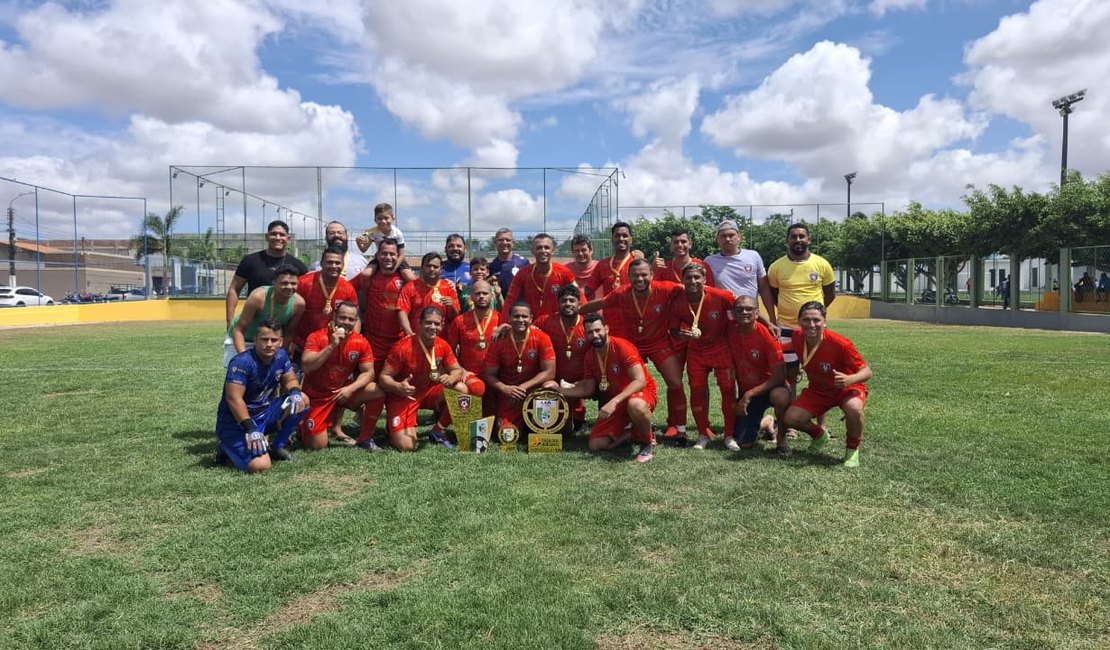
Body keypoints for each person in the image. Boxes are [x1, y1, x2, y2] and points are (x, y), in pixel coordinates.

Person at [581, 258, 688, 441]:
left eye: (644, 275)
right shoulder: (621, 292)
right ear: (628, 277)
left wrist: (722, 296)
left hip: (658, 342)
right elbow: (601, 303)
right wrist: (576, 311)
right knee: (620, 382)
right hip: (633, 343)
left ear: (652, 275)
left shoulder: (665, 288)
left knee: (675, 382)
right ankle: (626, 421)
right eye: (635, 275)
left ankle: (679, 427)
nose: (640, 279)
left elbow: (691, 289)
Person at [556, 313, 657, 463]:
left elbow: (639, 381)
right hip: (617, 400)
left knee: (635, 405)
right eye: (590, 332)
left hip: (639, 394)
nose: (595, 335)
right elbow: (588, 389)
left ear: (606, 329)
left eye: (598, 330)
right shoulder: (590, 356)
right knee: (596, 444)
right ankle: (634, 431)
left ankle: (647, 442)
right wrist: (558, 390)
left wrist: (614, 402)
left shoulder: (622, 346)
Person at [782, 301, 873, 468]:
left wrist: (849, 380)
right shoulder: (797, 336)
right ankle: (819, 435)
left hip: (847, 388)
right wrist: (773, 349)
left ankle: (852, 449)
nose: (811, 325)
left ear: (824, 321)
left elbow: (867, 371)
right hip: (818, 390)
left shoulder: (841, 343)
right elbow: (790, 346)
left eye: (816, 320)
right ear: (799, 321)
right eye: (806, 320)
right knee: (791, 418)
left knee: (854, 408)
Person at [215, 320, 309, 473]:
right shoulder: (241, 362)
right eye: (264, 339)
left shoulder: (281, 356)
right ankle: (225, 446)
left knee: (302, 399)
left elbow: (290, 380)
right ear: (255, 340)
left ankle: (278, 447)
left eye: (274, 340)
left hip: (264, 414)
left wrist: (294, 393)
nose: (269, 344)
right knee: (261, 466)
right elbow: (234, 399)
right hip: (237, 423)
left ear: (281, 341)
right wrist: (251, 429)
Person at [378, 306, 471, 451]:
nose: (432, 327)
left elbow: (457, 370)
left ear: (441, 325)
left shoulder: (442, 344)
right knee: (407, 446)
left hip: (428, 392)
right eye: (428, 322)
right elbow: (383, 377)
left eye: (436, 323)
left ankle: (438, 430)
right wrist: (398, 386)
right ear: (419, 323)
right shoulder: (402, 347)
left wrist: (451, 377)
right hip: (404, 396)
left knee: (461, 389)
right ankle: (392, 430)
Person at [667, 263, 736, 450]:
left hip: (721, 348)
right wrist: (683, 335)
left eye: (697, 277)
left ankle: (729, 435)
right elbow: (673, 330)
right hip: (696, 350)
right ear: (683, 280)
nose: (693, 281)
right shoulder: (678, 302)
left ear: (704, 279)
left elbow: (744, 309)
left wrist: (768, 324)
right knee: (696, 391)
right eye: (688, 277)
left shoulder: (722, 296)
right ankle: (702, 434)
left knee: (728, 390)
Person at [298, 301, 384, 450]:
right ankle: (302, 425)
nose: (346, 322)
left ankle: (365, 438)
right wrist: (332, 345)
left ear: (356, 321)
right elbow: (306, 366)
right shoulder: (317, 337)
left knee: (376, 390)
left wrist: (350, 388)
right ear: (334, 317)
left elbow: (369, 372)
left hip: (340, 392)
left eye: (351, 319)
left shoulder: (360, 342)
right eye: (342, 318)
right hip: (316, 397)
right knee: (317, 445)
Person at [349, 239, 409, 447]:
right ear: (377, 256)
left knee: (395, 389)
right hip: (373, 342)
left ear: (398, 257)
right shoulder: (369, 276)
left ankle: (394, 428)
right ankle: (365, 435)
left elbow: (422, 289)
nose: (388, 257)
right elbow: (346, 289)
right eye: (384, 253)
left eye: (392, 254)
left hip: (398, 343)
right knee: (374, 388)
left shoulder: (404, 278)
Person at [764, 222, 836, 376]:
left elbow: (830, 294)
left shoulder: (822, 264)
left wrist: (816, 312)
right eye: (794, 237)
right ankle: (791, 392)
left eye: (801, 236)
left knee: (821, 368)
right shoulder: (776, 267)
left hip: (814, 326)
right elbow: (774, 295)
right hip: (786, 327)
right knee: (789, 371)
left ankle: (819, 392)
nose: (798, 240)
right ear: (787, 240)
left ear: (809, 239)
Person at [727, 295, 792, 455]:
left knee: (781, 396)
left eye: (749, 309)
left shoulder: (768, 336)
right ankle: (767, 422)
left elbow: (779, 376)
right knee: (744, 443)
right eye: (739, 309)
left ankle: (781, 440)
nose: (744, 312)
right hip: (749, 393)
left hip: (770, 387)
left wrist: (748, 394)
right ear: (734, 313)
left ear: (757, 313)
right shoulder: (730, 329)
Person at [481, 301, 556, 436]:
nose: (520, 320)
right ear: (509, 319)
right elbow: (489, 374)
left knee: (551, 385)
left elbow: (549, 372)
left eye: (524, 316)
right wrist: (505, 388)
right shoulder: (499, 341)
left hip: (533, 390)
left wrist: (524, 386)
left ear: (531, 318)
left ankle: (544, 427)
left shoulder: (542, 338)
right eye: (516, 316)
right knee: (507, 434)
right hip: (509, 394)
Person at [225, 220, 308, 328]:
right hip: (253, 322)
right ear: (266, 237)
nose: (278, 238)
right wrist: (229, 320)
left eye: (282, 235)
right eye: (273, 234)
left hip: (283, 325)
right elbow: (234, 289)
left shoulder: (298, 266)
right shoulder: (250, 260)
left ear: (288, 238)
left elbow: (304, 297)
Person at [534, 284, 590, 432]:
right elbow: (528, 332)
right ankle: (551, 420)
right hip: (554, 378)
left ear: (579, 303)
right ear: (558, 304)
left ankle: (580, 417)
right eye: (564, 301)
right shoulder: (545, 321)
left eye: (572, 300)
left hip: (581, 379)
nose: (568, 304)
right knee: (548, 388)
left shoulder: (587, 325)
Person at [224, 265, 305, 367]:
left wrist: (279, 356)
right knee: (240, 371)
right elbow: (238, 330)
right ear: (274, 283)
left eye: (293, 283)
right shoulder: (259, 297)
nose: (289, 287)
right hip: (243, 339)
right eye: (284, 283)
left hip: (269, 342)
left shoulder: (299, 304)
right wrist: (245, 359)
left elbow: (288, 334)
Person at [442, 279, 498, 414]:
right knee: (476, 389)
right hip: (469, 373)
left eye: (485, 293)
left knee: (493, 418)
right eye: (477, 293)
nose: (481, 297)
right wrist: (461, 370)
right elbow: (449, 352)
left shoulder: (500, 319)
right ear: (471, 297)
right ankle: (447, 421)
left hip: (495, 375)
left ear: (491, 296)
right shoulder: (460, 321)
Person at [704, 219, 773, 323]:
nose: (727, 239)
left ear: (739, 237)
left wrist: (772, 317)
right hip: (724, 318)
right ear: (717, 239)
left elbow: (764, 288)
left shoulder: (753, 256)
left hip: (750, 315)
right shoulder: (709, 261)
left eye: (731, 235)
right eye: (723, 236)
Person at [294, 245, 358, 352]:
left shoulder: (348, 288)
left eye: (338, 263)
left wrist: (353, 341)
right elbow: (290, 311)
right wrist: (290, 340)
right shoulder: (303, 283)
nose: (334, 266)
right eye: (329, 262)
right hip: (301, 343)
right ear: (321, 264)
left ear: (343, 265)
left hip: (331, 344)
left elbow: (355, 317)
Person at [502, 233, 580, 319]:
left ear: (553, 250)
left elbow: (579, 297)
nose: (543, 251)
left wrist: (583, 320)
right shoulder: (522, 274)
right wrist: (503, 323)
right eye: (539, 248)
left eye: (546, 247)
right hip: (530, 324)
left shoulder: (564, 272)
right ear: (533, 251)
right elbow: (510, 300)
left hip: (557, 323)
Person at [397, 252, 461, 335]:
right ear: (422, 268)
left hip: (441, 339)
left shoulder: (448, 288)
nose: (432, 269)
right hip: (416, 338)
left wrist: (451, 306)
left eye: (435, 266)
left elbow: (455, 317)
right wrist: (409, 333)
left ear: (441, 269)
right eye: (428, 266)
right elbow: (402, 312)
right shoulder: (410, 287)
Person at [354, 203, 416, 283]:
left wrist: (393, 269)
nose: (383, 221)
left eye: (386, 218)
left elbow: (401, 255)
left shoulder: (397, 233)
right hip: (380, 258)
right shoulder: (372, 232)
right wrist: (358, 242)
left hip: (396, 259)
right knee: (365, 274)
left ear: (393, 218)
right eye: (379, 218)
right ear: (375, 220)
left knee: (410, 277)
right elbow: (363, 249)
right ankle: (366, 291)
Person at [585, 221, 641, 299]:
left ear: (631, 240)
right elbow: (588, 291)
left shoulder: (638, 262)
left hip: (634, 306)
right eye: (617, 236)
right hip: (609, 307)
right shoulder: (603, 265)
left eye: (625, 236)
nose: (621, 239)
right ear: (612, 240)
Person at [488, 228, 529, 295]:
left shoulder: (523, 263)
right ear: (495, 243)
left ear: (513, 243)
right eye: (501, 240)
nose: (504, 243)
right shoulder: (491, 266)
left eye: (508, 240)